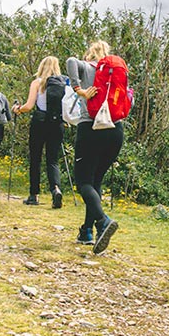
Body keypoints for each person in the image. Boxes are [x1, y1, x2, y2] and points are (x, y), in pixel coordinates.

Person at [66, 40, 123, 254]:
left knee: (83, 181)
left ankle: (102, 221)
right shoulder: (115, 75)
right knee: (95, 181)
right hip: (115, 131)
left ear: (90, 54)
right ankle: (87, 232)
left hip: (91, 127)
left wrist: (79, 89)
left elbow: (71, 61)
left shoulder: (87, 66)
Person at [13, 56, 65, 208]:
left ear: (42, 66)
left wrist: (18, 109)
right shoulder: (63, 84)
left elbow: (29, 106)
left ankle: (33, 195)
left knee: (35, 158)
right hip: (57, 123)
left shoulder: (37, 83)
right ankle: (55, 189)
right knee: (53, 159)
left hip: (40, 122)